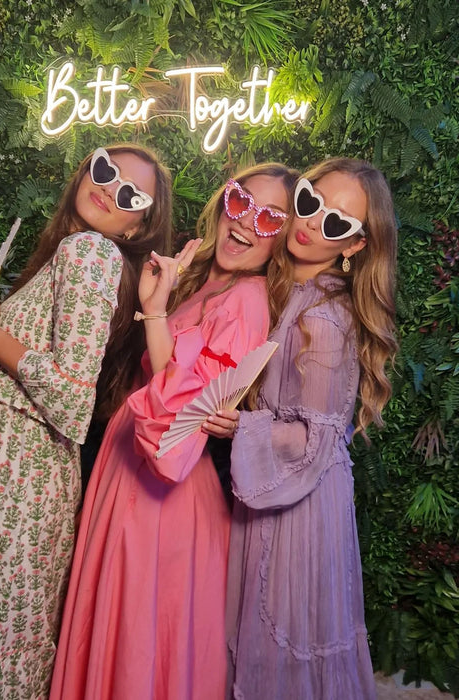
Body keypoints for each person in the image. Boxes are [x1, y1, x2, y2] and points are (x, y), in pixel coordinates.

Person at [0, 143, 173, 700]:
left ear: (136, 229)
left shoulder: (93, 254)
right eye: (105, 170)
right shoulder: (71, 252)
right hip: (9, 472)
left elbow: (71, 399)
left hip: (19, 478)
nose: (109, 189)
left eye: (130, 195)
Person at [49, 162, 299, 700]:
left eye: (269, 219)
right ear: (222, 202)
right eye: (239, 203)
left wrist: (155, 311)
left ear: (282, 240)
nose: (246, 223)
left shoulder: (249, 301)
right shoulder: (202, 278)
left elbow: (180, 415)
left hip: (164, 497)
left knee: (141, 640)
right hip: (127, 471)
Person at [220, 157, 398, 699]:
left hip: (299, 505)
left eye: (337, 223)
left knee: (283, 641)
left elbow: (315, 443)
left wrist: (239, 427)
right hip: (275, 488)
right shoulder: (284, 291)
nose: (312, 222)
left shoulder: (322, 318)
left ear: (354, 245)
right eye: (309, 200)